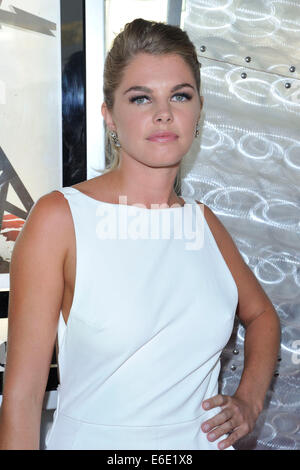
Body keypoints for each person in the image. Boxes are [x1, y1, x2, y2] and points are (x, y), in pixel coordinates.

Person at [0, 18, 280, 450]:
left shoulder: (202, 223)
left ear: (198, 109)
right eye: (141, 98)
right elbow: (21, 398)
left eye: (179, 96)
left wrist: (249, 400)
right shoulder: (60, 219)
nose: (163, 112)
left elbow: (263, 317)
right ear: (109, 114)